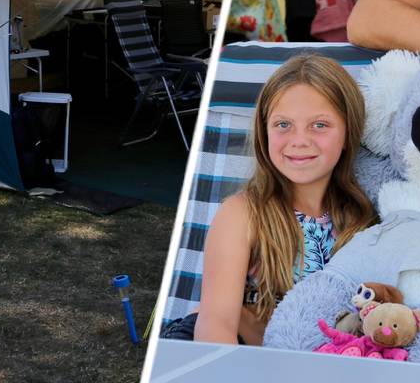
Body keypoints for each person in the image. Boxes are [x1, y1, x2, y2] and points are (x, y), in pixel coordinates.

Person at [161, 53, 377, 344]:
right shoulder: (244, 213)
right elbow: (217, 322)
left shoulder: (362, 221)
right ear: (264, 131)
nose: (299, 140)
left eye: (320, 125)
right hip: (223, 347)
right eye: (283, 125)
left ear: (349, 132)